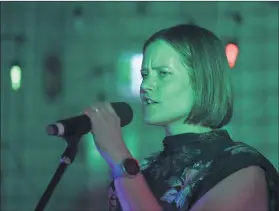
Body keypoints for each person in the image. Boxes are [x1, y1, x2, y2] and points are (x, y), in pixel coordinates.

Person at [84, 24, 279, 211]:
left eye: (163, 74)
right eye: (145, 74)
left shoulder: (240, 168)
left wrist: (119, 155)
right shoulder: (146, 169)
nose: (145, 86)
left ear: (202, 80)